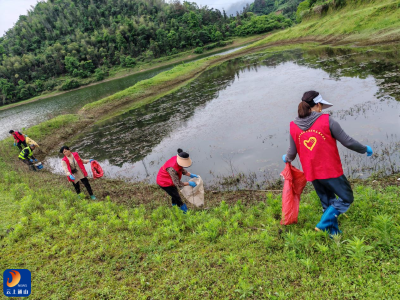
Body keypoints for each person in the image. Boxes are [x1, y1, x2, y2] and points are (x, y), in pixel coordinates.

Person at [283, 91, 373, 235]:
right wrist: (364, 149)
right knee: (346, 198)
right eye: (321, 105)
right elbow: (348, 141)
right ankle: (324, 223)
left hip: (311, 172)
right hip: (331, 171)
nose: (322, 109)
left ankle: (334, 234)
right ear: (318, 105)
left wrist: (286, 158)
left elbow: (292, 153)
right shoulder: (327, 120)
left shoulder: (293, 126)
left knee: (327, 201)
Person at [156, 148, 199, 213]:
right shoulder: (172, 169)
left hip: (169, 179)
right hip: (164, 182)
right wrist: (189, 183)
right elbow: (177, 183)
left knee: (174, 194)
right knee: (176, 196)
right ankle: (184, 212)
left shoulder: (178, 159)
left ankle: (174, 206)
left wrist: (190, 174)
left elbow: (180, 169)